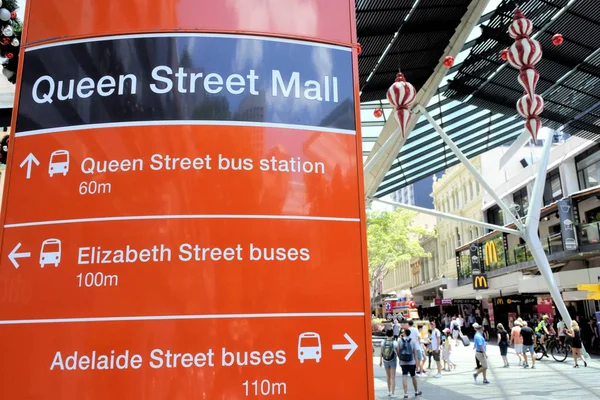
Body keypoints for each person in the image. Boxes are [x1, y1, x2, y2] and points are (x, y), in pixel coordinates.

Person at [399, 329, 423, 399]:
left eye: (403, 332)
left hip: (403, 362)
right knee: (413, 376)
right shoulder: (413, 341)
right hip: (411, 362)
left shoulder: (400, 340)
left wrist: (400, 360)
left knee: (404, 376)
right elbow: (415, 353)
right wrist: (416, 363)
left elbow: (399, 350)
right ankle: (416, 391)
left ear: (405, 333)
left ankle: (405, 394)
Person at [380, 329, 399, 397]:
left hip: (385, 360)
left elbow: (381, 352)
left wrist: (380, 361)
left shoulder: (383, 342)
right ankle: (393, 393)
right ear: (392, 334)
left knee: (388, 376)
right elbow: (398, 352)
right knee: (393, 377)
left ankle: (389, 391)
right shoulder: (395, 342)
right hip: (393, 360)